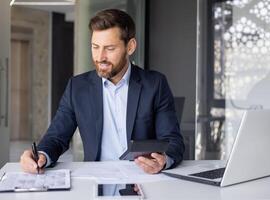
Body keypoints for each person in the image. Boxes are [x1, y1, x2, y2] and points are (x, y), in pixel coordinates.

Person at [20, 9, 185, 174]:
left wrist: (163, 161)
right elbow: (56, 137)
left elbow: (172, 141)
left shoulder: (155, 84)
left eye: (110, 48)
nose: (100, 57)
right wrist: (40, 155)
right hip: (96, 178)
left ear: (130, 46)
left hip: (143, 178)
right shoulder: (77, 87)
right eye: (95, 47)